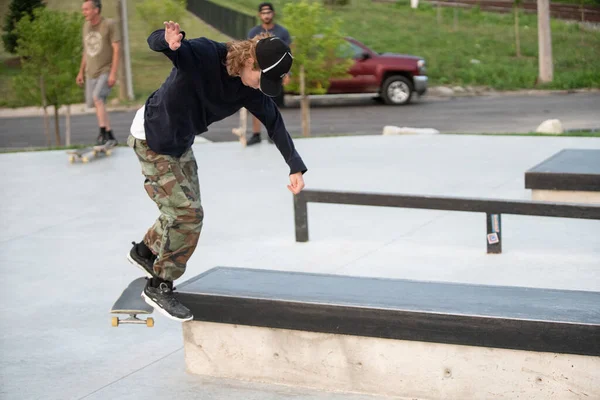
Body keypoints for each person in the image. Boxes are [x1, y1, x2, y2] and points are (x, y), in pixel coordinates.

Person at [126, 21, 307, 322]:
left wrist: (295, 165)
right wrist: (166, 41)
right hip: (152, 137)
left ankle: (145, 252)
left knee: (183, 209)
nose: (260, 88)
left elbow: (274, 121)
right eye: (261, 79)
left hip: (180, 143)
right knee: (187, 214)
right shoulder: (206, 54)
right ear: (250, 60)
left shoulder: (249, 90)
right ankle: (159, 284)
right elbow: (160, 42)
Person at [246, 2, 292, 146]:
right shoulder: (253, 32)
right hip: (258, 74)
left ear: (273, 14)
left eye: (268, 13)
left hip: (275, 74)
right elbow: (248, 53)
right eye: (263, 13)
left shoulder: (282, 32)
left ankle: (274, 133)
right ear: (260, 15)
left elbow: (288, 54)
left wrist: (287, 73)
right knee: (255, 104)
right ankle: (256, 134)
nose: (266, 15)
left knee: (274, 105)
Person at [76, 0, 120, 145]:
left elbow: (116, 49)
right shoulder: (86, 26)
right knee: (96, 102)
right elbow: (86, 50)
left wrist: (113, 73)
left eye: (86, 9)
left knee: (97, 98)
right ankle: (110, 135)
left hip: (105, 70)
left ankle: (102, 133)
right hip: (90, 72)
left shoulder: (109, 24)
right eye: (83, 10)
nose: (84, 13)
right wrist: (81, 72)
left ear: (96, 10)